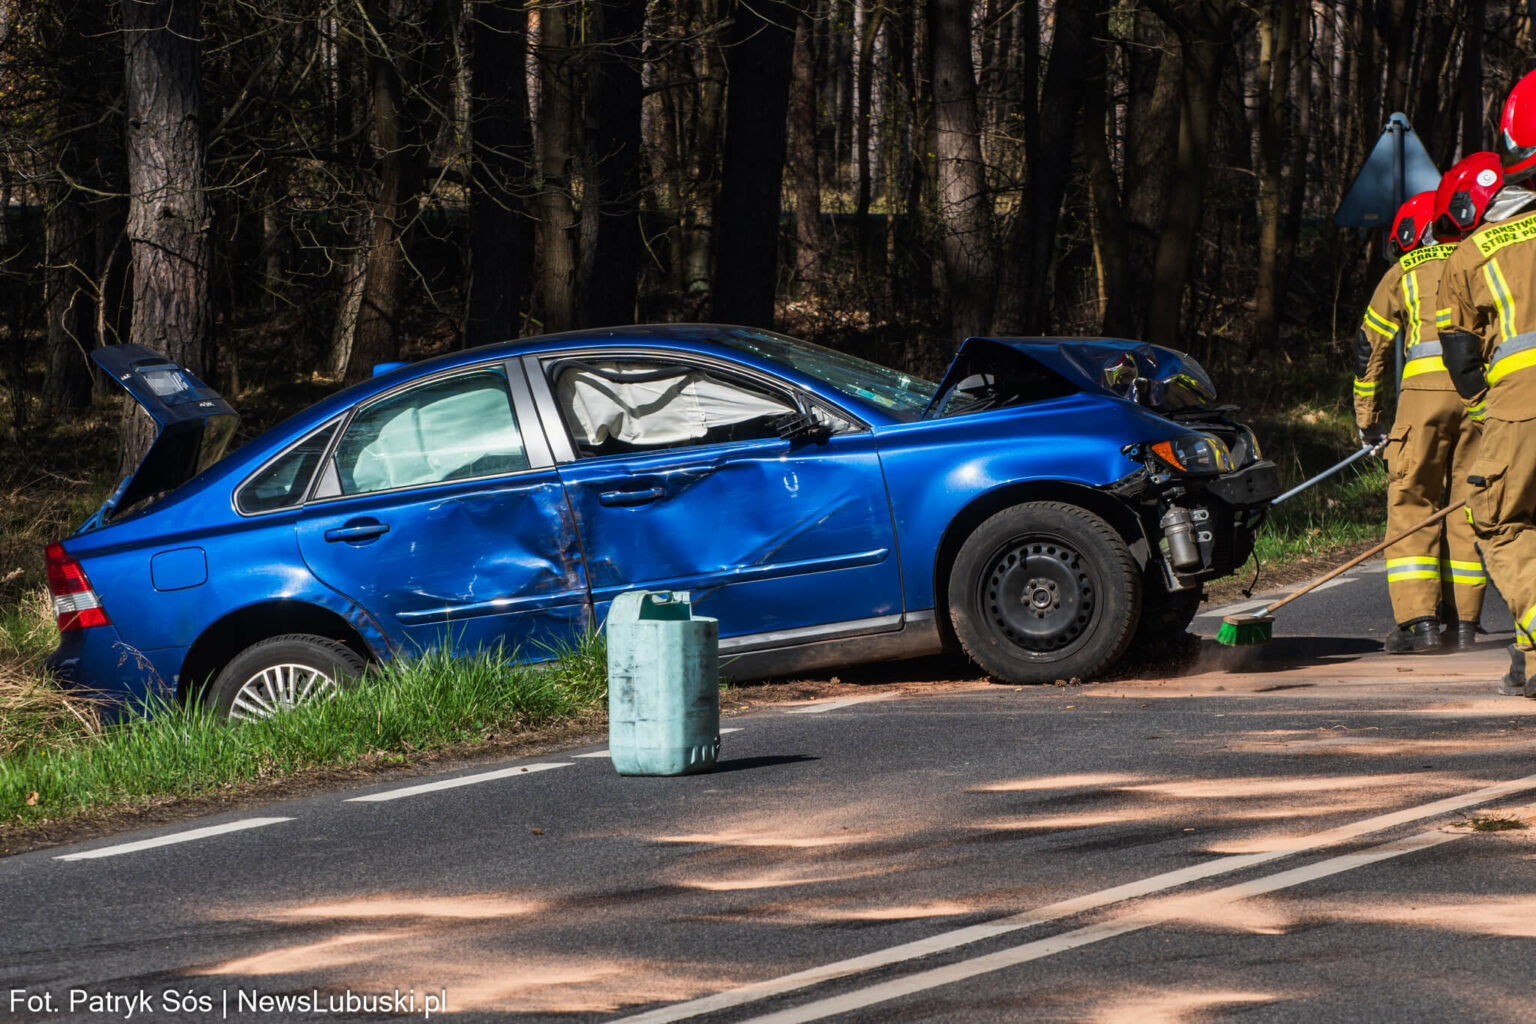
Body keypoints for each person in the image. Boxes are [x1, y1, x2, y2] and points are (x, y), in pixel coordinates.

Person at [1354, 188, 1487, 653]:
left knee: (1413, 502)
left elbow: (1369, 348)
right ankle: (1466, 625)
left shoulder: (1403, 272)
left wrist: (1368, 421)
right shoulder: (1479, 257)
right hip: (1478, 399)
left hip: (1422, 404)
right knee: (1467, 506)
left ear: (1411, 233)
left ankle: (1420, 624)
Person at [1438, 127, 1536, 695]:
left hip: (1520, 403)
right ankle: (1530, 659)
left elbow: (1462, 355)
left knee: (1500, 519)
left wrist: (1484, 409)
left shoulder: (1470, 254)